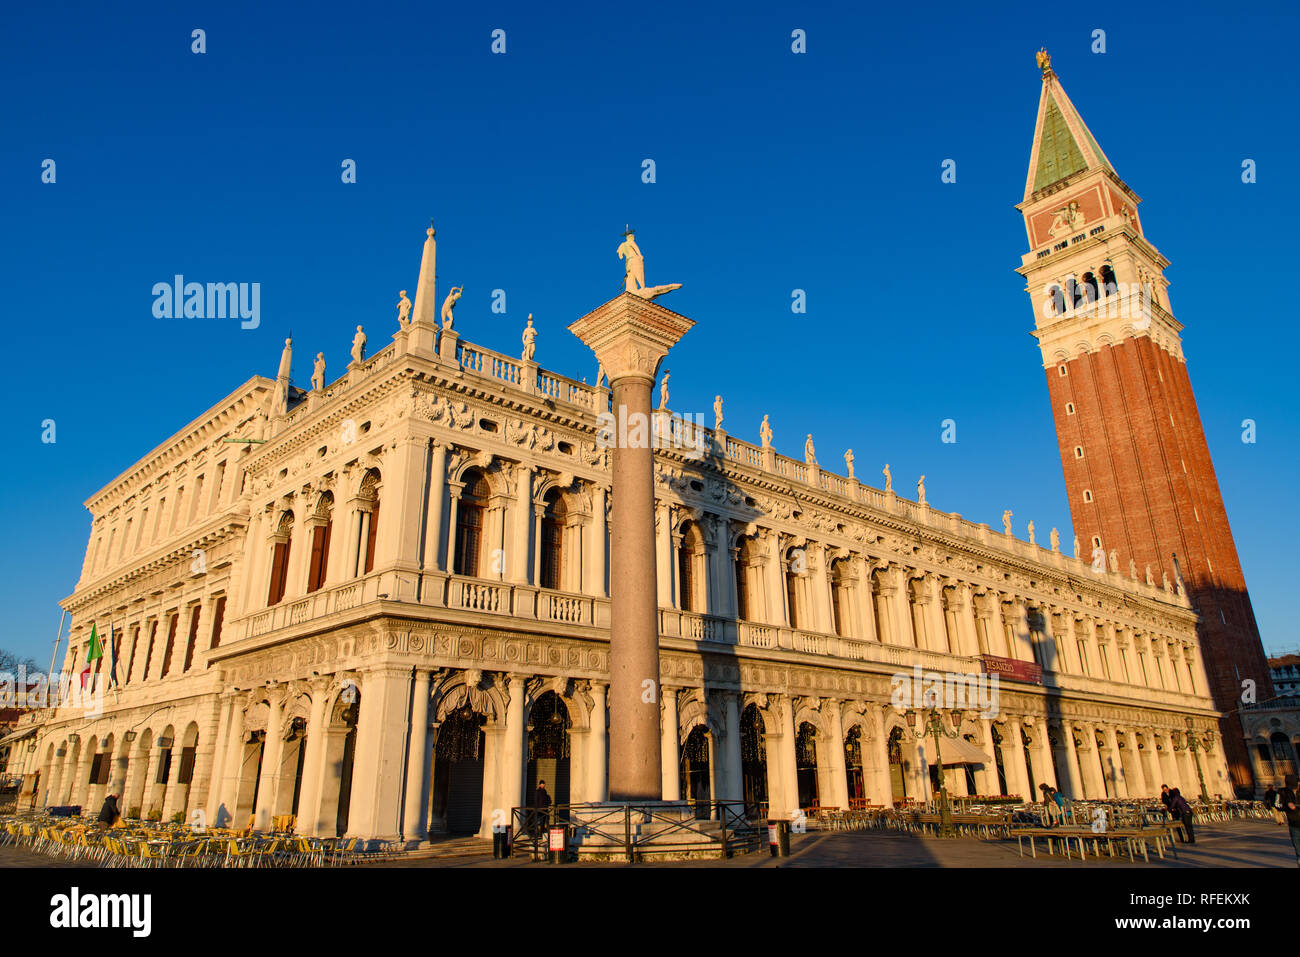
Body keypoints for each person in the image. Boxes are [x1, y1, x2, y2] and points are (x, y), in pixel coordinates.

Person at [1279, 774, 1299, 868]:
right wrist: (1287, 805)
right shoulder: (1283, 792)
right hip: (1294, 825)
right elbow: (1276, 804)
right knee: (1299, 851)